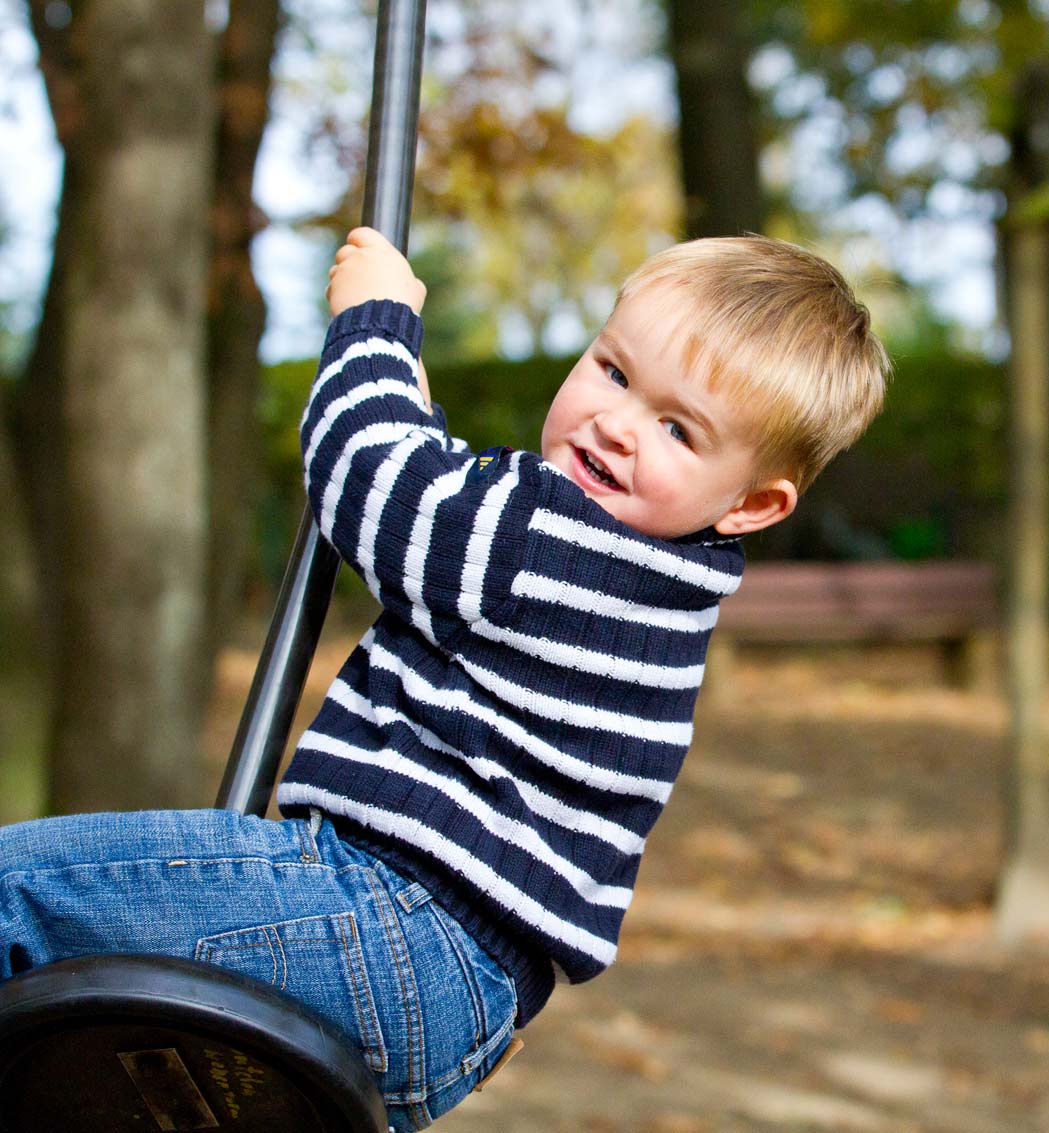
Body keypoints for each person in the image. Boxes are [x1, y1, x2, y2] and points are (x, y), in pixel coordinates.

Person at [0, 227, 890, 1130]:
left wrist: (374, 322)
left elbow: (367, 473)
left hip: (381, 921)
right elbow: (444, 499)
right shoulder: (657, 594)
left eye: (676, 428)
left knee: (16, 892)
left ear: (752, 503)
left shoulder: (543, 542)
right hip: (461, 1006)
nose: (616, 424)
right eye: (614, 371)